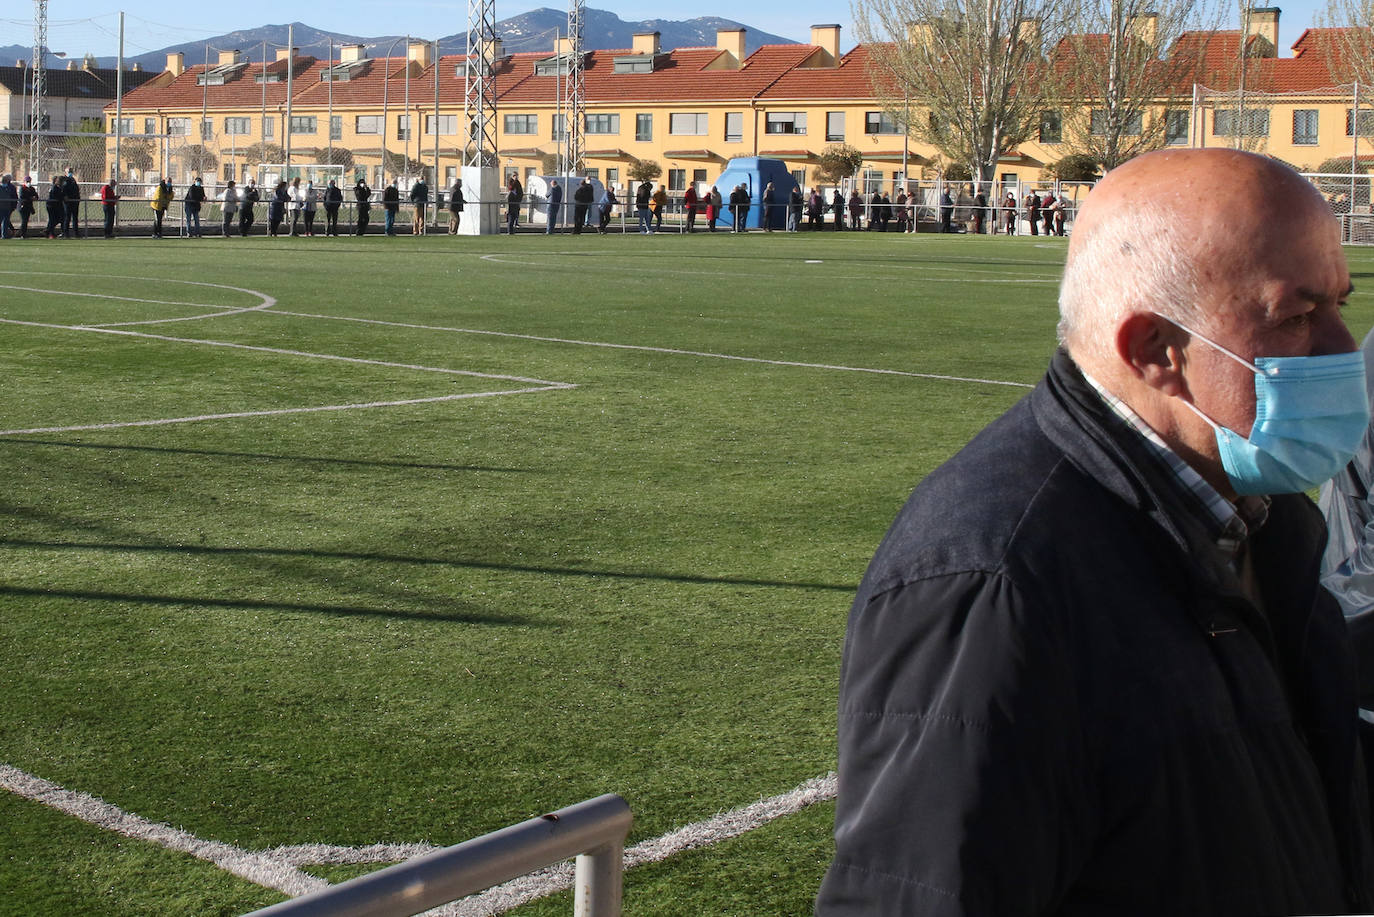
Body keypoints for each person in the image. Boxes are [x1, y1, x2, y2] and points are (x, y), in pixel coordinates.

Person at [816, 148, 1374, 915]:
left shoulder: (1261, 512)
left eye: (1343, 303)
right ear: (1154, 350)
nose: (1346, 348)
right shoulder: (996, 585)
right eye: (1297, 315)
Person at [61, 169, 81, 238]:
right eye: (69, 172)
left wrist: (78, 198)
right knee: (67, 218)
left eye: (71, 172)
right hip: (68, 202)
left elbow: (76, 190)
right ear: (65, 172)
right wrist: (65, 197)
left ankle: (76, 233)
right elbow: (63, 190)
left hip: (75, 201)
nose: (70, 173)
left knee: (75, 218)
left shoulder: (73, 180)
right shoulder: (65, 180)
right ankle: (66, 233)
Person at [0, 174, 16, 239]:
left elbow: (14, 196)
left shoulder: (10, 187)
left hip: (7, 207)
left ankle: (4, 235)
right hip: (1, 207)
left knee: (6, 222)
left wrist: (13, 206)